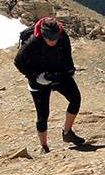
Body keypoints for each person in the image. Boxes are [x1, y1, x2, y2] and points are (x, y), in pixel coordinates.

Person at [14, 17, 85, 153]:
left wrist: (69, 69)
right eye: (50, 39)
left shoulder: (61, 36)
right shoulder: (32, 43)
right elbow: (18, 61)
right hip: (38, 79)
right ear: (43, 35)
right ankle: (44, 146)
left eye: (56, 38)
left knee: (75, 99)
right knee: (43, 115)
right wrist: (35, 76)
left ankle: (67, 132)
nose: (54, 41)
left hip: (59, 73)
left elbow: (67, 52)